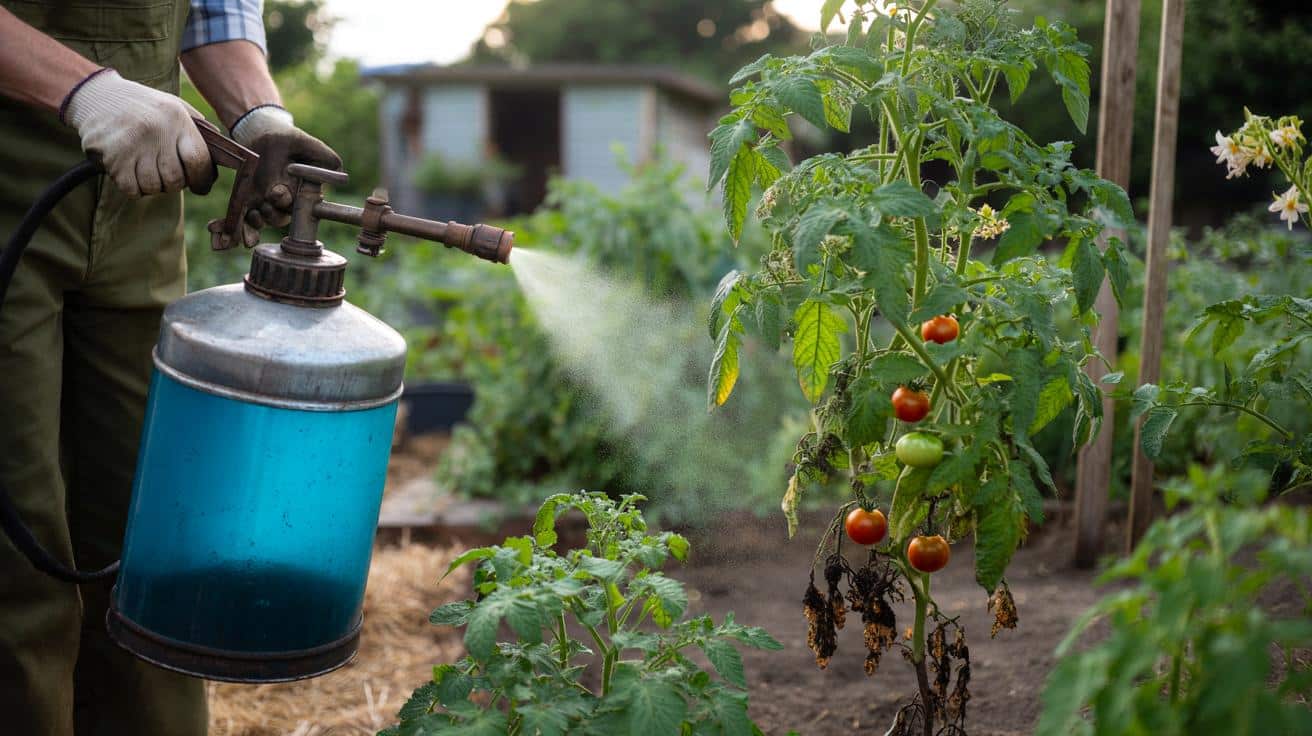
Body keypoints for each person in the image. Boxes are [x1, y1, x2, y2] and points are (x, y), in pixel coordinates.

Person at [0, 1, 341, 733]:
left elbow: (214, 11)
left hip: (133, 208)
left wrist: (256, 117)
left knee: (151, 553)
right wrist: (86, 90)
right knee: (15, 564)